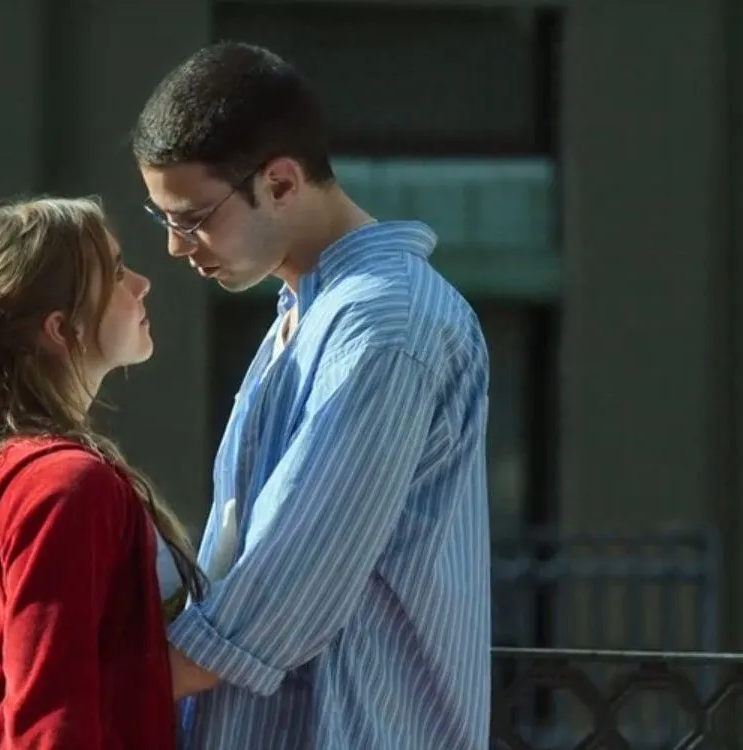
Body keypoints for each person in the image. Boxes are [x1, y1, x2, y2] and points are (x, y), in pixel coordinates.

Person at [132, 42, 492, 749]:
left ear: (283, 183)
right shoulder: (309, 316)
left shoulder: (385, 323)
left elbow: (284, 588)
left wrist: (80, 685)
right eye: (165, 220)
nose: (178, 247)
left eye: (193, 216)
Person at [0, 197, 207, 749]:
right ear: (61, 330)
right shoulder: (64, 486)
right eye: (115, 271)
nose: (142, 283)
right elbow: (50, 721)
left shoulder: (1, 474)